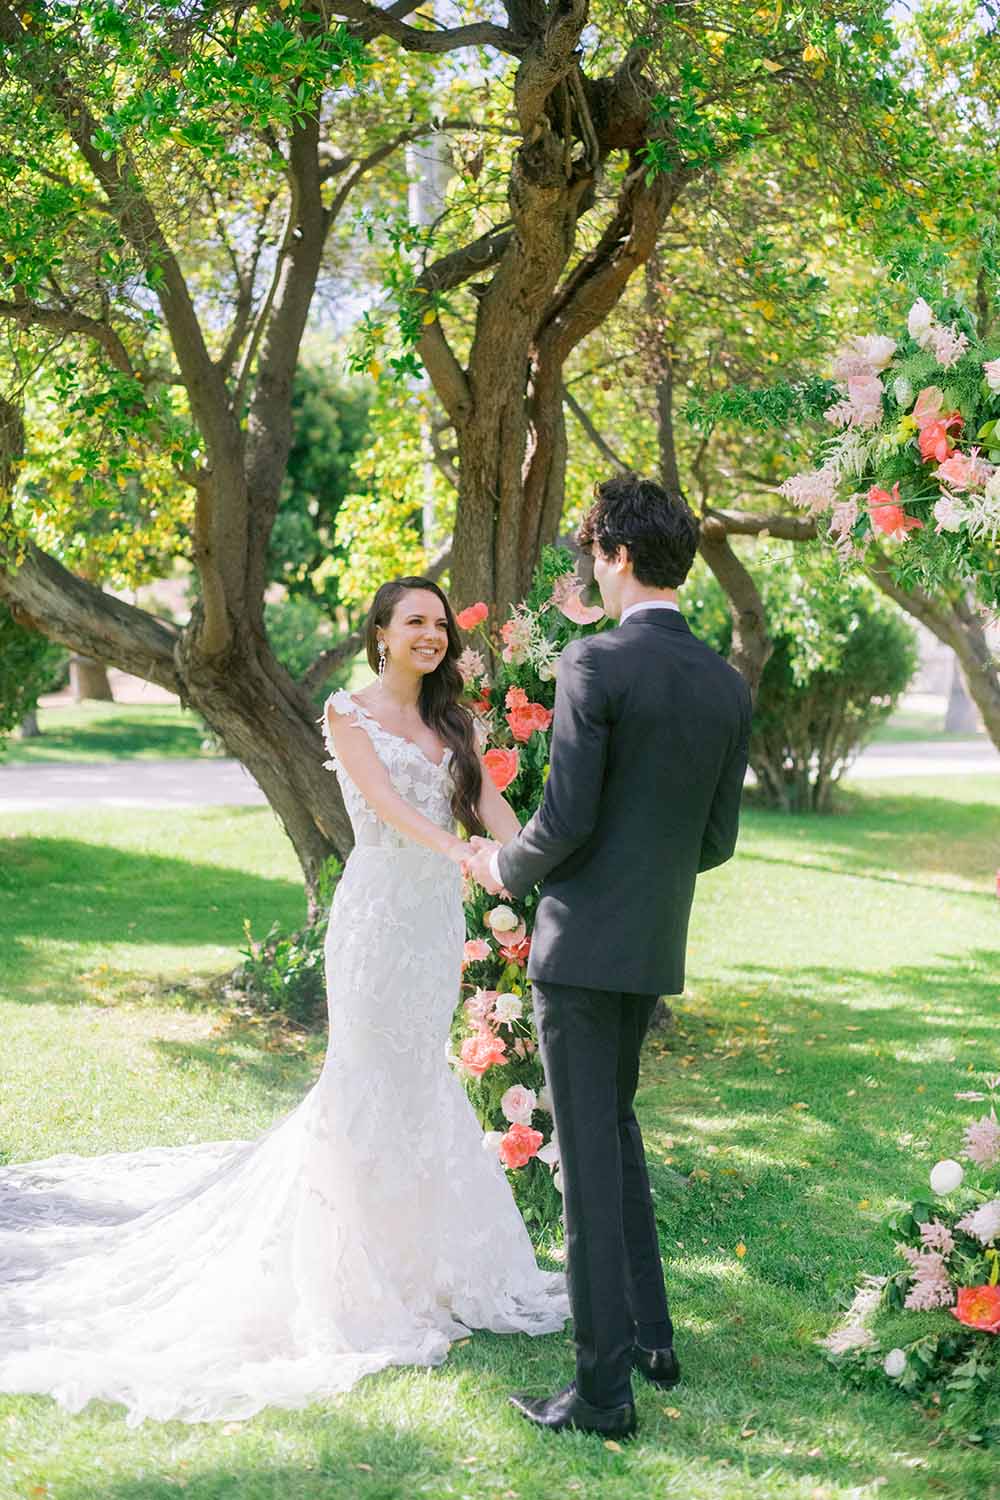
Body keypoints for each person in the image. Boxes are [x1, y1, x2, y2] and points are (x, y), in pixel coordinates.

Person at [0, 576, 567, 1426]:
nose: (431, 635)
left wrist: (526, 860)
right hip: (378, 918)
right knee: (366, 1077)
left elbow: (489, 801)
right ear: (379, 633)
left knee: (418, 1074)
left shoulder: (459, 721)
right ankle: (352, 1271)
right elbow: (382, 805)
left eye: (440, 625)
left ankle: (428, 1263)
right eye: (414, 622)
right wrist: (462, 852)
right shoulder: (349, 710)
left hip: (432, 927)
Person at [465, 475, 752, 1440]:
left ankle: (600, 1392)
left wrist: (504, 863)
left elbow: (564, 819)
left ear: (618, 556)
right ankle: (652, 1341)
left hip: (581, 947)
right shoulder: (724, 681)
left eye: (593, 551)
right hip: (650, 947)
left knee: (587, 1161)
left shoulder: (593, 663)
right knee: (615, 1133)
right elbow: (715, 841)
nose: (592, 567)